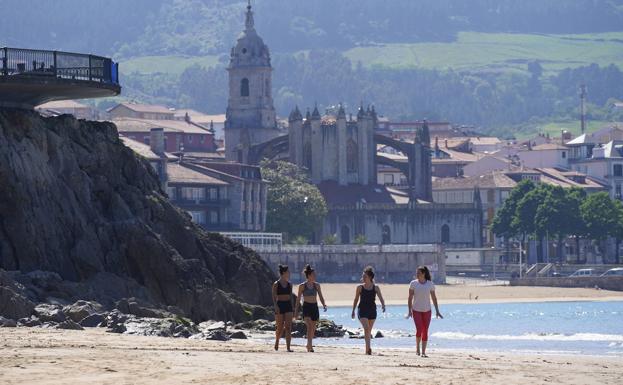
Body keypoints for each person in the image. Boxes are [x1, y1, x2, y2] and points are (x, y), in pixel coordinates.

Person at [407, 266, 442, 357]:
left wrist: (437, 310)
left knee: (425, 330)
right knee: (419, 329)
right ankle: (417, 348)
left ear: (423, 274)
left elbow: (434, 298)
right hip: (416, 310)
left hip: (427, 311)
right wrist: (409, 310)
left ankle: (423, 352)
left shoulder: (430, 284)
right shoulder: (413, 283)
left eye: (418, 273)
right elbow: (410, 298)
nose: (417, 274)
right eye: (416, 273)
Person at [351, 266, 386, 355]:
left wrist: (383, 305)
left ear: (370, 277)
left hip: (372, 310)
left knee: (368, 331)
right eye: (363, 276)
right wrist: (353, 310)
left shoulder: (376, 287)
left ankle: (368, 348)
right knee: (366, 328)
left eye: (364, 276)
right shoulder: (359, 287)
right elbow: (355, 299)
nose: (362, 278)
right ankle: (368, 349)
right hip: (362, 310)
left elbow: (381, 298)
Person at [294, 264, 327, 352]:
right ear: (309, 275)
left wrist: (324, 304)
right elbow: (298, 299)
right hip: (306, 307)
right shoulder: (302, 286)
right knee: (309, 326)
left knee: (313, 327)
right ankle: (310, 346)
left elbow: (320, 296)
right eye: (313, 275)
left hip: (314, 307)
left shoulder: (317, 285)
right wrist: (296, 311)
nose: (315, 276)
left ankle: (309, 344)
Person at [272, 264, 294, 352]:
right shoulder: (276, 284)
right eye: (288, 272)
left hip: (288, 305)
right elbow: (273, 296)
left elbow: (291, 297)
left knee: (288, 327)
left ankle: (288, 347)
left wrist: (292, 307)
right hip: (279, 305)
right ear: (284, 273)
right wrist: (276, 306)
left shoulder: (290, 284)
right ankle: (277, 340)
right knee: (280, 327)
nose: (289, 273)